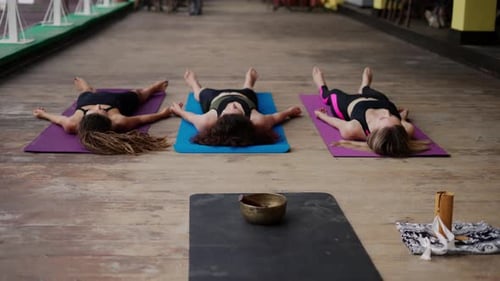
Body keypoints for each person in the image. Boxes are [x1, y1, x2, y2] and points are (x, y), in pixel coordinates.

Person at [33, 77, 174, 154]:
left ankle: (86, 88)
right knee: (138, 94)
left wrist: (44, 114)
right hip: (116, 103)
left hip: (88, 103)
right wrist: (163, 114)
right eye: (101, 111)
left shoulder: (73, 124)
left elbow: (58, 119)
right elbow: (141, 118)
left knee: (85, 93)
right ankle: (153, 88)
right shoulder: (119, 121)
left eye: (97, 110)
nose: (99, 106)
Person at [312, 66, 430, 157]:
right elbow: (402, 124)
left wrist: (321, 115)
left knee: (329, 96)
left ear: (374, 132)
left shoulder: (353, 129)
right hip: (378, 100)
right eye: (393, 116)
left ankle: (321, 85)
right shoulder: (407, 129)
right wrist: (402, 117)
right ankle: (364, 87)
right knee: (368, 91)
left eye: (383, 118)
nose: (386, 113)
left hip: (349, 103)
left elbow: (337, 123)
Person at [170, 68, 302, 146]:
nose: (233, 105)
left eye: (230, 110)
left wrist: (179, 111)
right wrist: (288, 112)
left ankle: (194, 84)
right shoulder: (257, 120)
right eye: (236, 109)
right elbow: (274, 117)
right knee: (249, 90)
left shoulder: (207, 121)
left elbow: (191, 117)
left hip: (215, 97)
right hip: (244, 96)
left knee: (198, 94)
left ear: (220, 119)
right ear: (246, 119)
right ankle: (249, 82)